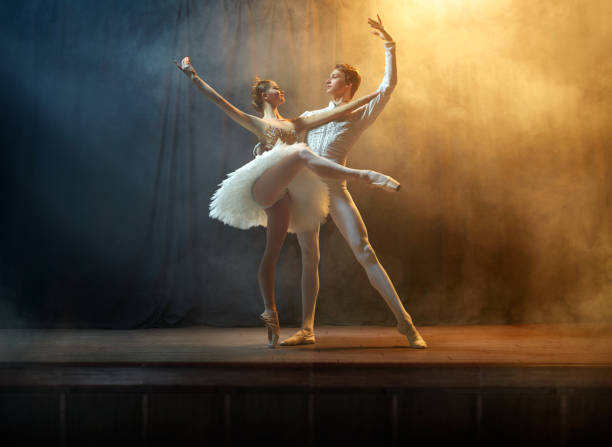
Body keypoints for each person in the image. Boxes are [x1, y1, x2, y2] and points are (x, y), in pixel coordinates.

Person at [174, 56, 401, 348]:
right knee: (301, 154)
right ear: (263, 95)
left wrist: (375, 95)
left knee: (272, 253)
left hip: (286, 196)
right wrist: (193, 75)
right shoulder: (257, 122)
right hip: (263, 186)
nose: (281, 91)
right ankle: (364, 175)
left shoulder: (297, 122)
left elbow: (339, 112)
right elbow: (219, 101)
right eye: (275, 88)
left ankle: (270, 312)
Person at [275, 15, 428, 349]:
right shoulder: (316, 115)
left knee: (365, 250)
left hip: (335, 188)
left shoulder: (360, 112)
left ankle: (406, 324)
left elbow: (387, 87)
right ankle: (307, 329)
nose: (327, 81)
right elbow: (286, 133)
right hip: (307, 191)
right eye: (329, 77)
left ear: (348, 85)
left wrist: (390, 44)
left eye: (334, 78)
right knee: (309, 257)